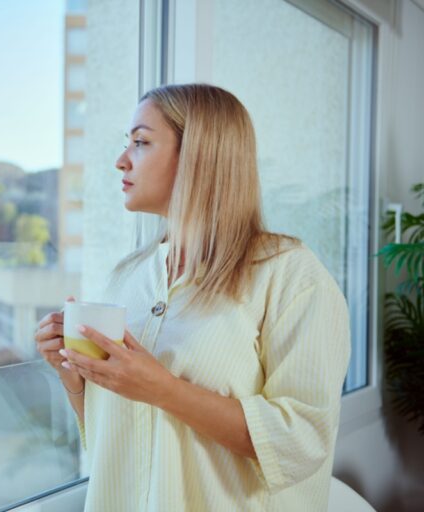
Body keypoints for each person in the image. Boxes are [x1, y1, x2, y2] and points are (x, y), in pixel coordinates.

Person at [34, 84, 350, 511]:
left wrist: (164, 390)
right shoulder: (128, 277)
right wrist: (75, 378)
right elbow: (125, 436)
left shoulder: (290, 274)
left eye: (141, 142)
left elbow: (302, 440)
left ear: (200, 155)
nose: (121, 160)